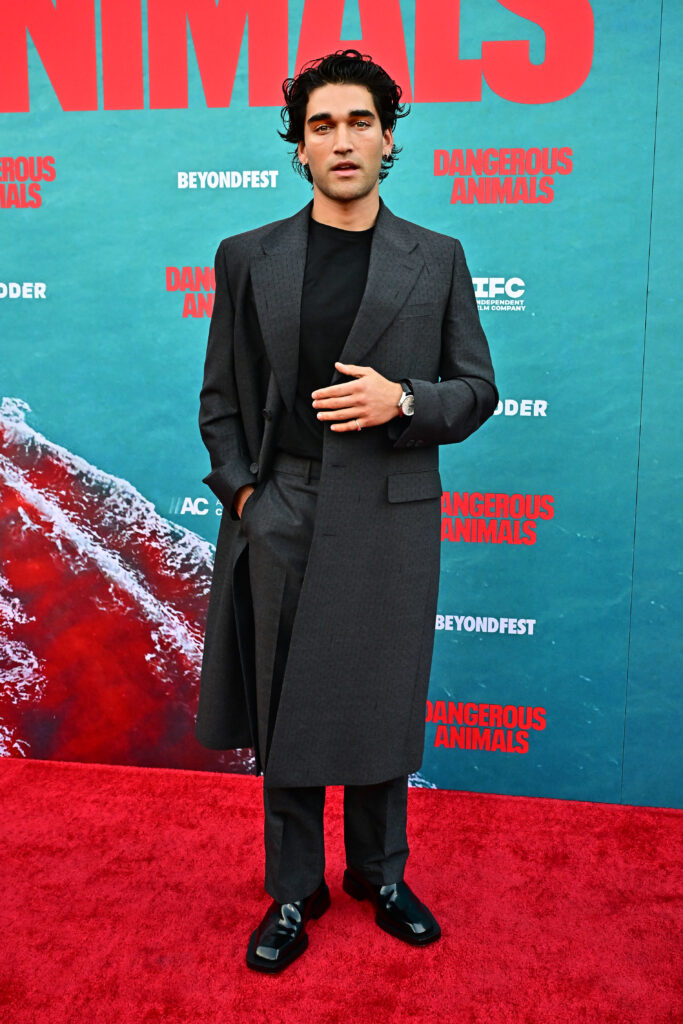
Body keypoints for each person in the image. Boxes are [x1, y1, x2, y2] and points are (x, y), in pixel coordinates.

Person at [194, 49, 498, 972]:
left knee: (378, 701)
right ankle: (293, 890)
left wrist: (400, 399)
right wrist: (247, 495)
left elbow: (476, 390)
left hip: (390, 509)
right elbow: (220, 398)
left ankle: (380, 874)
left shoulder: (436, 258)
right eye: (320, 124)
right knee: (283, 704)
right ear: (298, 147)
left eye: (359, 122)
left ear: (387, 139)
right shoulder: (247, 257)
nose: (341, 140)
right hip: (281, 505)